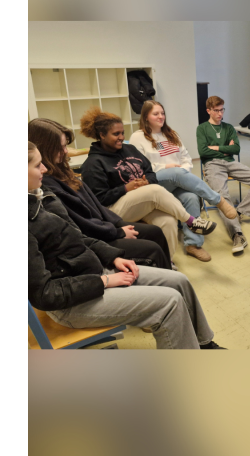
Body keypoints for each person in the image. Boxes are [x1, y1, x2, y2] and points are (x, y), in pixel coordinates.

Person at [28, 142, 225, 349]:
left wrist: (112, 257)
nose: (45, 169)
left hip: (90, 271)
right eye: (38, 165)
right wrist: (104, 281)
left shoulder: (43, 196)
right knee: (170, 302)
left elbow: (78, 237)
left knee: (179, 281)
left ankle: (204, 343)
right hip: (72, 303)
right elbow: (45, 295)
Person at [28, 118, 173, 270]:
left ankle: (168, 269)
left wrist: (118, 224)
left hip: (103, 226)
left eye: (65, 146)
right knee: (152, 249)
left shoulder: (62, 171)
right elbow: (81, 226)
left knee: (155, 232)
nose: (65, 151)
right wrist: (117, 232)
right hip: (94, 239)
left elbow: (95, 206)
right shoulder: (48, 184)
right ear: (46, 148)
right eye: (61, 147)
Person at [78, 107, 217, 261]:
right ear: (102, 135)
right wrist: (126, 188)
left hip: (140, 202)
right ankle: (191, 221)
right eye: (116, 134)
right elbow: (99, 200)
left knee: (168, 221)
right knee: (154, 190)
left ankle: (167, 262)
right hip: (113, 210)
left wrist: (147, 181)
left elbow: (150, 171)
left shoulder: (129, 149)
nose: (121, 137)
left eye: (122, 133)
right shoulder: (93, 164)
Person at [129, 101, 237, 262]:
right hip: (153, 182)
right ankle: (218, 200)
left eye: (162, 113)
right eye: (155, 114)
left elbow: (186, 158)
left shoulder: (171, 134)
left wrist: (182, 171)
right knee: (176, 173)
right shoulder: (137, 137)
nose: (161, 116)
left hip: (176, 179)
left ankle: (193, 244)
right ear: (145, 117)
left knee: (191, 198)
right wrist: (167, 167)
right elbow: (138, 166)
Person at [197, 96, 250, 256]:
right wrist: (224, 149)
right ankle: (237, 235)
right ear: (208, 111)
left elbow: (236, 149)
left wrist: (215, 147)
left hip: (230, 162)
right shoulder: (202, 128)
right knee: (222, 196)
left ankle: (239, 212)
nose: (220, 113)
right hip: (212, 165)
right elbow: (203, 151)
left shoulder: (229, 128)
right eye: (216, 110)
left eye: (222, 109)